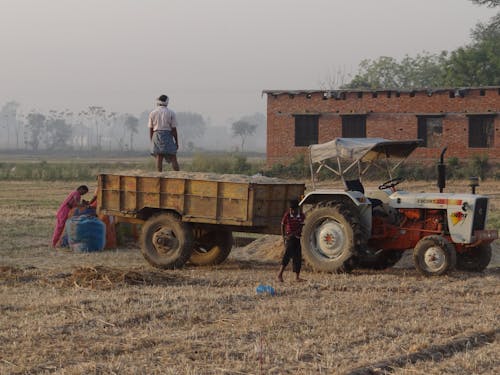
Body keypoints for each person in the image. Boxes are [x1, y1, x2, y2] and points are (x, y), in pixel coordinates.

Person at [148, 94, 180, 172]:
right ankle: (177, 174)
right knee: (173, 156)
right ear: (167, 102)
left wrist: (151, 140)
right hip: (168, 134)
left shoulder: (152, 113)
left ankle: (159, 174)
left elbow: (151, 129)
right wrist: (176, 142)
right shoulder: (171, 113)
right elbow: (174, 129)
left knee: (159, 156)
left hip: (156, 134)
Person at [277, 199, 306, 282]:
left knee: (298, 257)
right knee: (287, 256)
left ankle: (297, 277)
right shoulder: (287, 215)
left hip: (297, 238)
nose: (292, 211)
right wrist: (284, 238)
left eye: (293, 209)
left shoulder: (302, 216)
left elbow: (301, 227)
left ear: (297, 209)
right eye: (291, 209)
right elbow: (282, 225)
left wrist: (296, 233)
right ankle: (280, 275)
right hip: (290, 238)